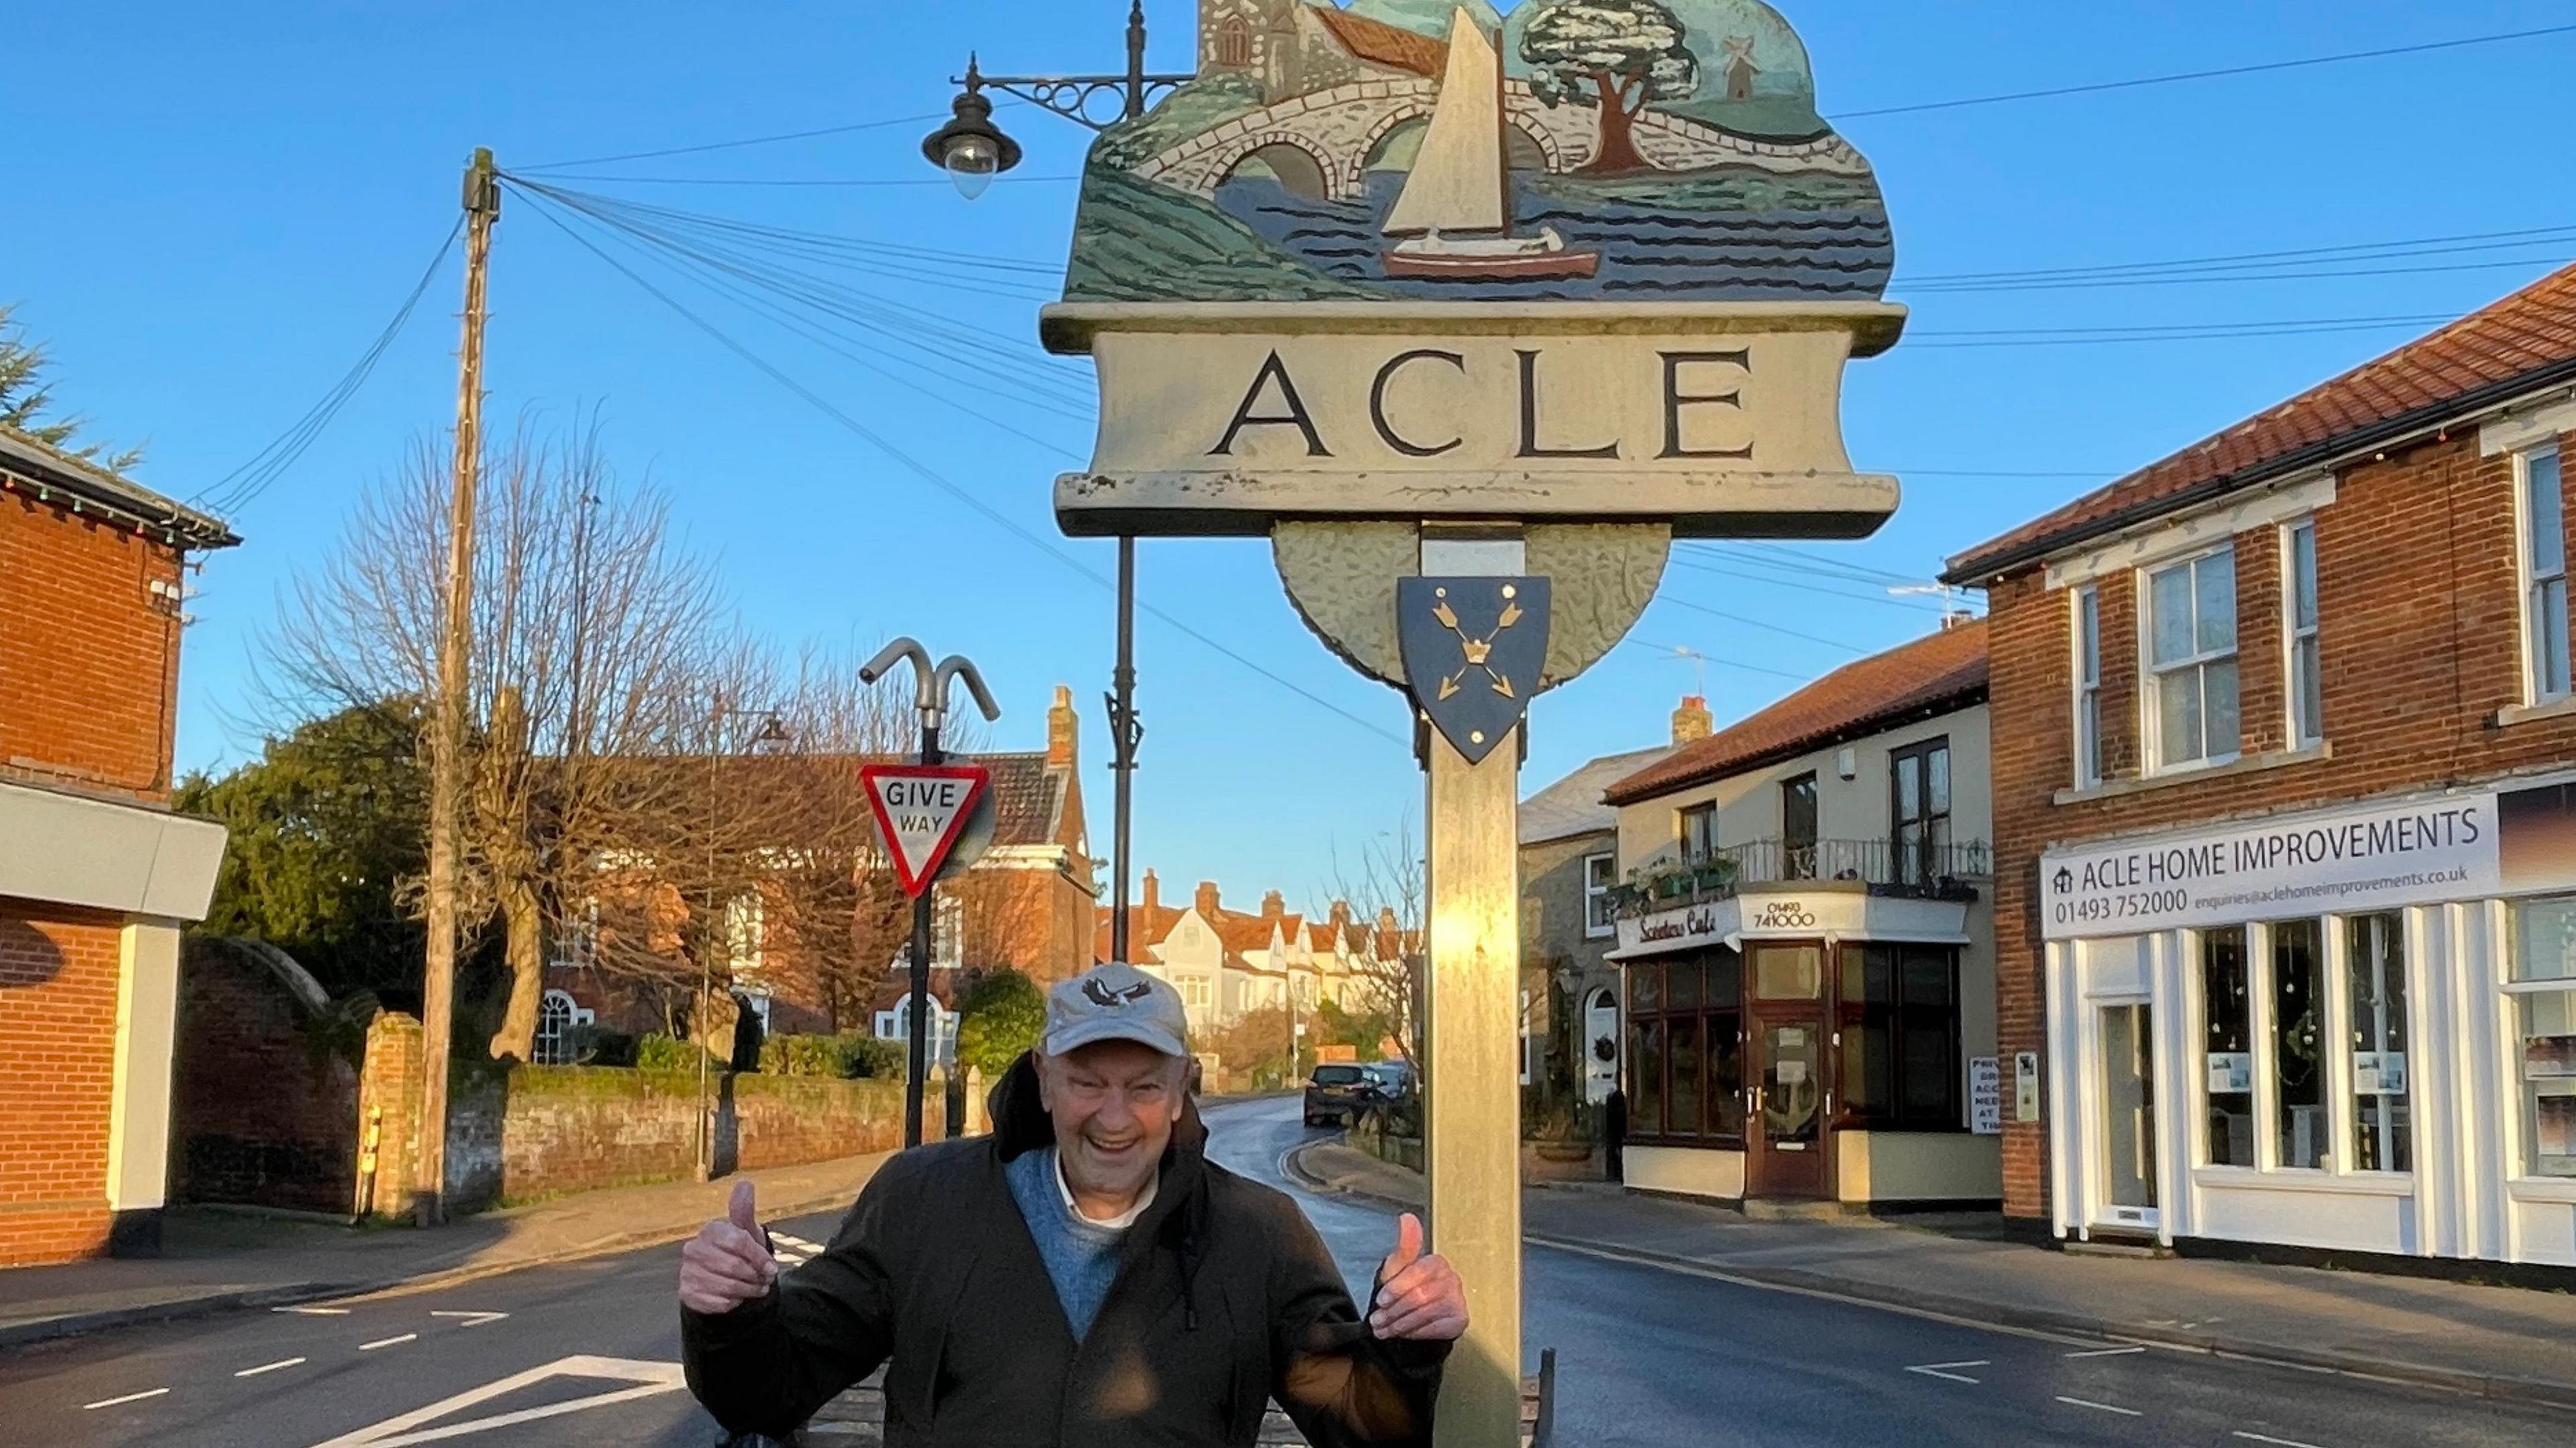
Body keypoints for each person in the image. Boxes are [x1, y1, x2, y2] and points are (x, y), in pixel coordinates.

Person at [679, 960, 1468, 1446]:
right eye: (1088, 1081)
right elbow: (765, 1390)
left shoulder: (1257, 1235)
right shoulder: (922, 1201)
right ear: (1044, 1076)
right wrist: (733, 1312)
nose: (1115, 1116)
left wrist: (1404, 1344)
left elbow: (1367, 1430)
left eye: (1144, 1085)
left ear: (1184, 1086)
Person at [1603, 1083, 1628, 1184]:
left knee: (1613, 1152)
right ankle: (1616, 1173)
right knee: (1616, 1152)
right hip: (1618, 1131)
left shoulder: (1613, 1104)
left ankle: (1613, 1173)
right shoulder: (1620, 1104)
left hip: (1614, 1132)